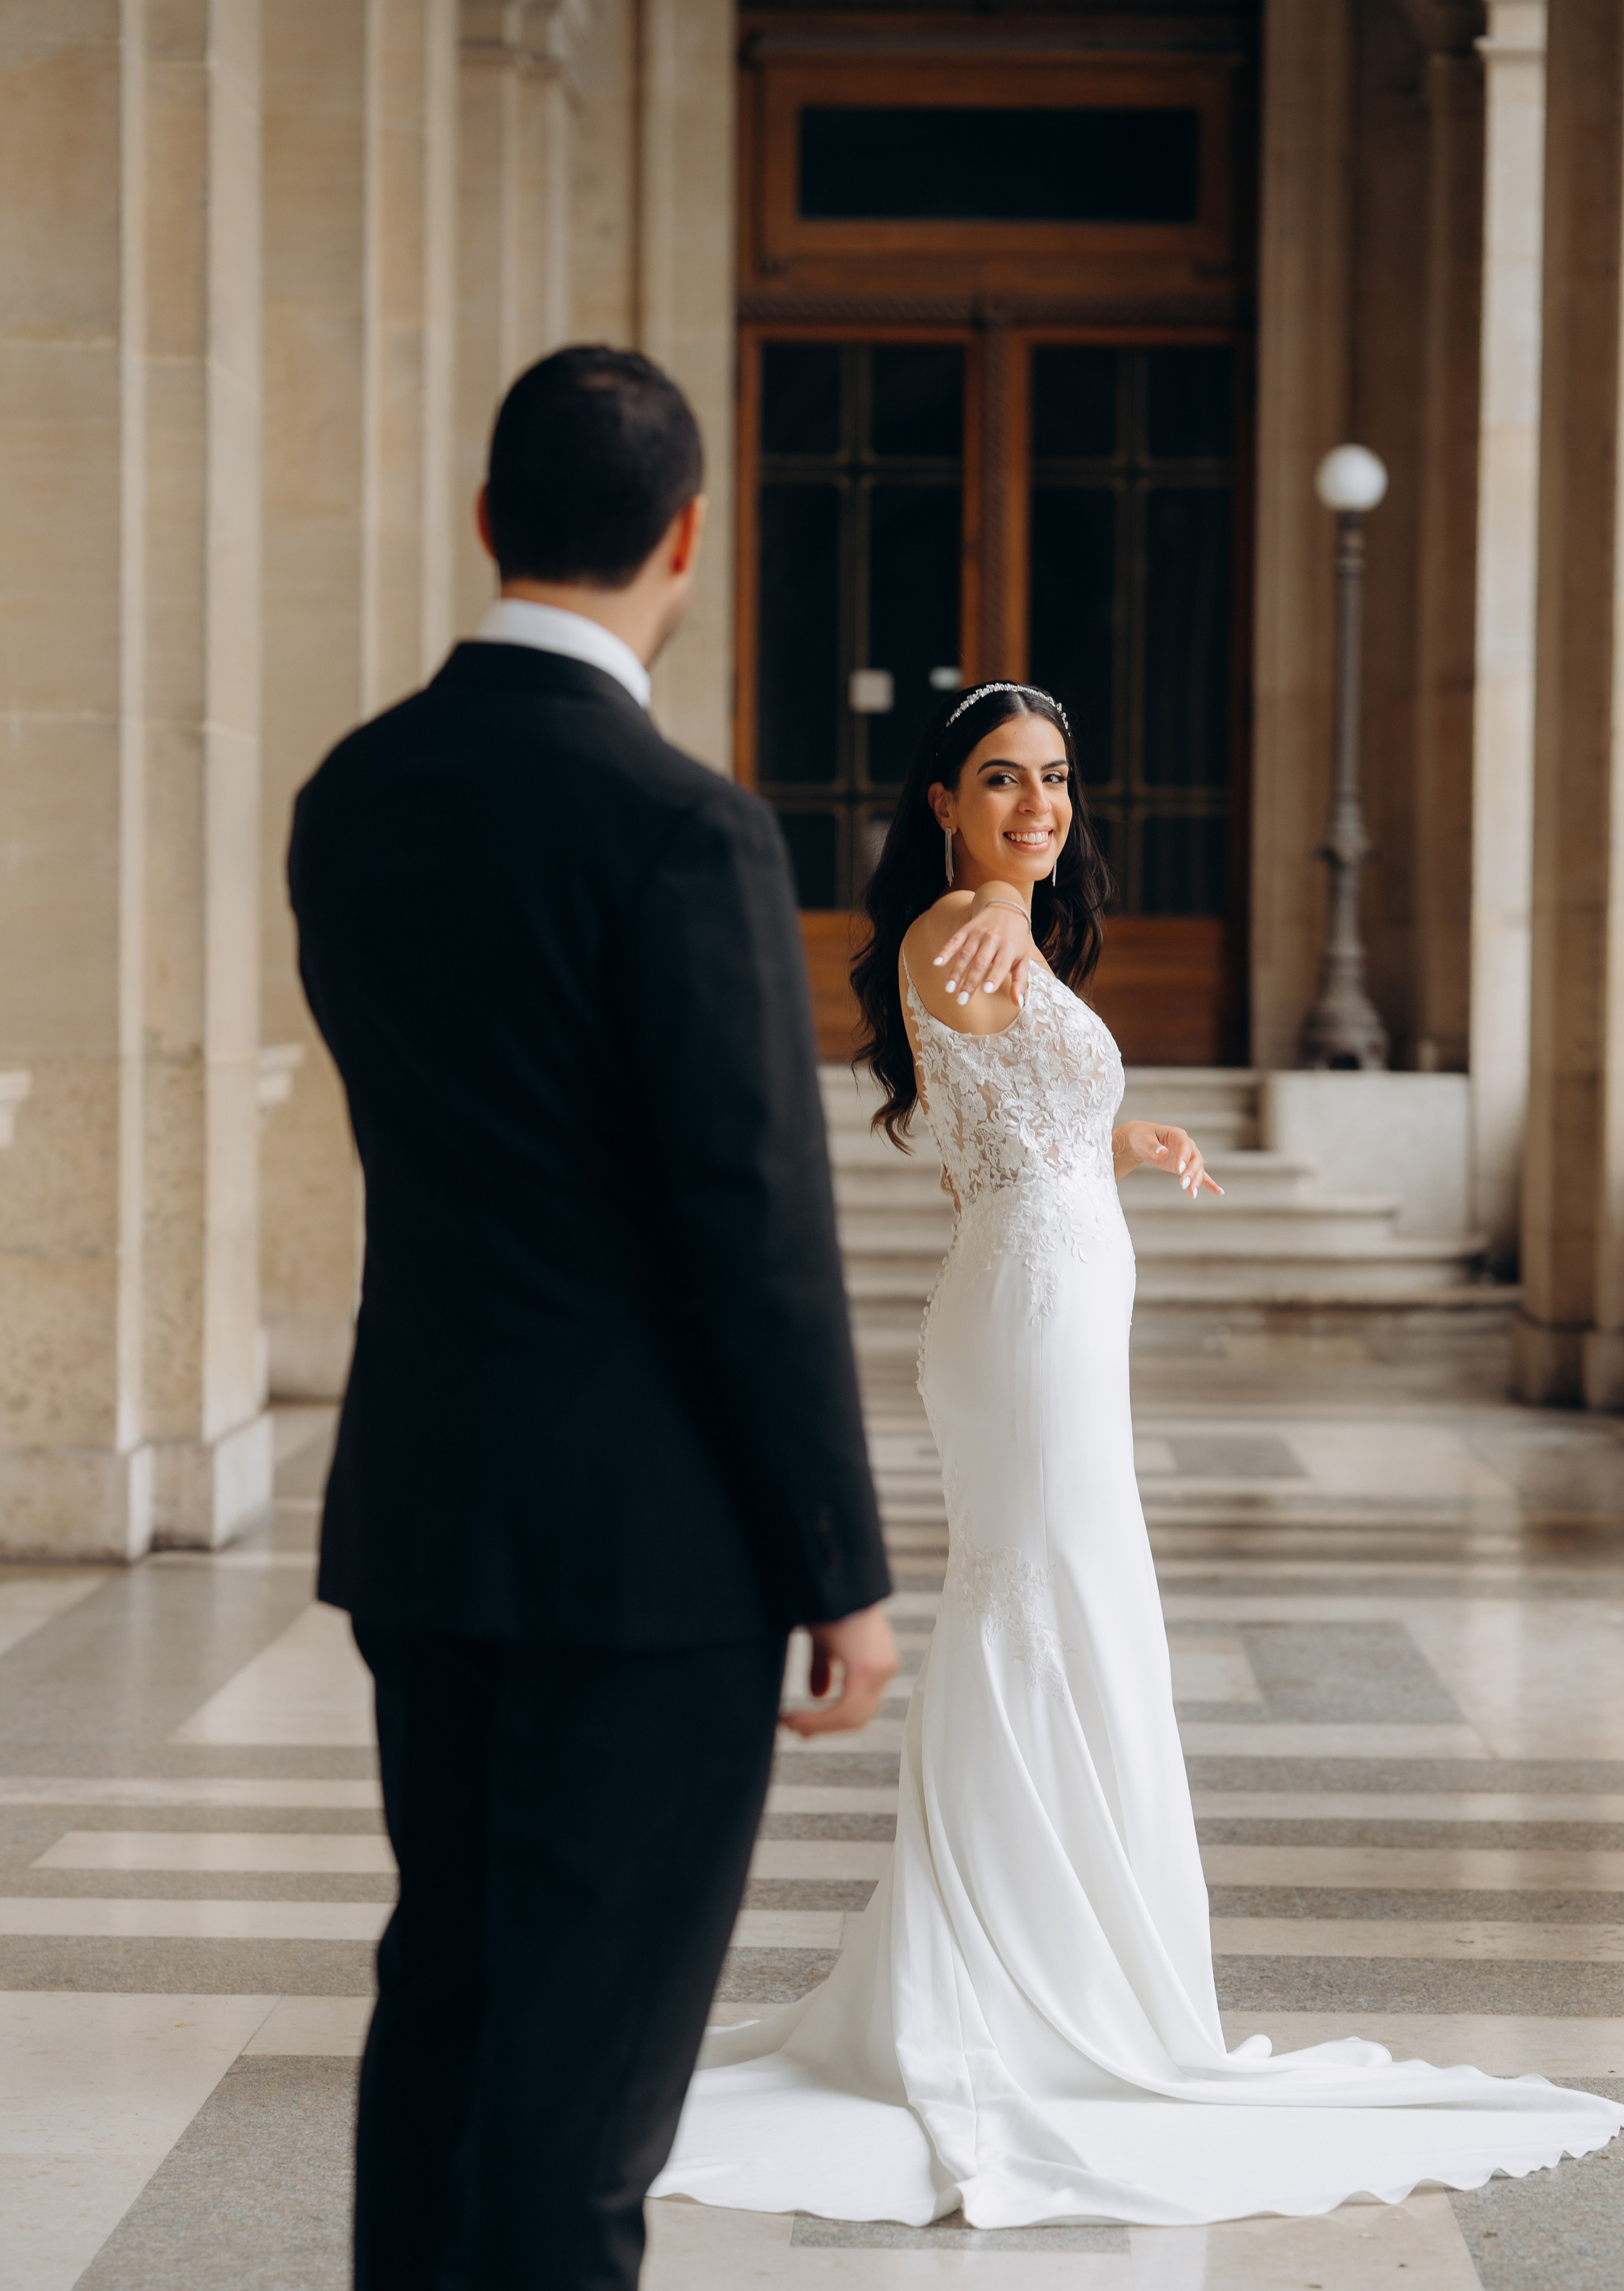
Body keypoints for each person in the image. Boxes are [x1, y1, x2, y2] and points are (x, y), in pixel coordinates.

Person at [652, 680, 1624, 2227]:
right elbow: (961, 1002)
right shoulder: (963, 923)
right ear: (943, 805)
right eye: (998, 782)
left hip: (1041, 1291)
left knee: (1065, 1611)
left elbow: (1004, 1100)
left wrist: (1125, 1134)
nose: (1036, 806)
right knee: (1039, 1608)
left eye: (1052, 780)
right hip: (1022, 1319)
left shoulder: (1005, 934)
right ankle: (1007, 1987)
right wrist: (977, 916)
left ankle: (1057, 1960)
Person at [287, 345, 898, 2291]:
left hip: (429, 1510)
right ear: (688, 541)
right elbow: (753, 1228)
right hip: (652, 1557)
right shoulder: (687, 828)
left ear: (487, 520)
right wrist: (841, 1564)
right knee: (588, 2103)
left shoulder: (351, 795)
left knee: (449, 2009)